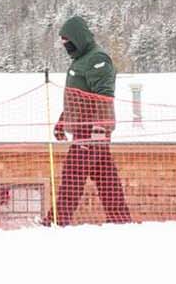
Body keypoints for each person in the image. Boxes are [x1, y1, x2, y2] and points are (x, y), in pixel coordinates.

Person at [51, 12, 129, 224]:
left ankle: (56, 222)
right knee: (106, 180)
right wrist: (62, 122)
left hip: (92, 131)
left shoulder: (97, 59)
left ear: (79, 38)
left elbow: (103, 94)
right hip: (82, 129)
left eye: (68, 42)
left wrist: (99, 129)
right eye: (64, 43)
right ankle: (122, 222)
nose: (67, 47)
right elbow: (76, 97)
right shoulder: (80, 61)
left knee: (72, 176)